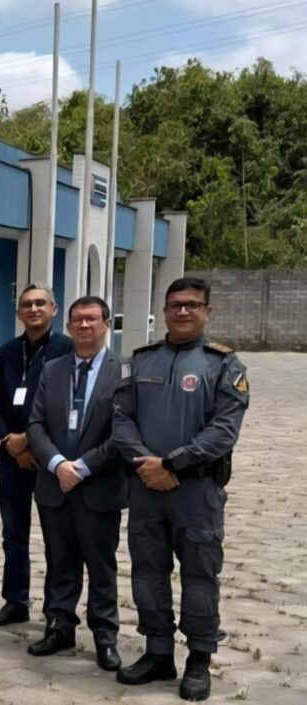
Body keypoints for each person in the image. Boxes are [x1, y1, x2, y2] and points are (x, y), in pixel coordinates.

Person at [114, 277, 249, 702]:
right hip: (146, 487)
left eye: (192, 305)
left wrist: (172, 463)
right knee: (147, 573)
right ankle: (157, 653)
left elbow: (224, 430)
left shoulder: (224, 365)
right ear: (164, 310)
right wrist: (148, 465)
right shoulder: (139, 361)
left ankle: (199, 658)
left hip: (197, 491)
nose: (183, 311)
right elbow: (121, 419)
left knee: (200, 576)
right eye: (175, 305)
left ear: (207, 311)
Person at [26, 296, 126, 671]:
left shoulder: (124, 372)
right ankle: (59, 625)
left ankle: (105, 636)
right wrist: (57, 464)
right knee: (59, 561)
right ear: (67, 326)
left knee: (101, 565)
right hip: (55, 485)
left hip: (99, 485)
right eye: (77, 320)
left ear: (106, 324)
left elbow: (124, 432)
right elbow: (35, 424)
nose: (84, 326)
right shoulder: (52, 369)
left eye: (92, 319)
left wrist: (82, 467)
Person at [0, 284, 74, 627]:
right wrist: (9, 439)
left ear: (54, 309)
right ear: (19, 312)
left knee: (57, 537)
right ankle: (15, 601)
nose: (34, 309)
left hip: (51, 457)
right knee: (13, 534)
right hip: (12, 457)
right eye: (27, 304)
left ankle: (56, 610)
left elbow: (67, 405)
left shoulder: (67, 350)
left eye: (40, 303)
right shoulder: (7, 352)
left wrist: (32, 442)